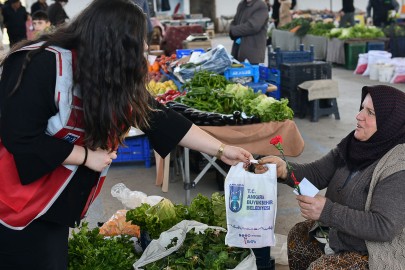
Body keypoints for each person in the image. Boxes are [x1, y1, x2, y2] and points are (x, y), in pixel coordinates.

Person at [0, 0, 253, 269]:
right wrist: (86, 156)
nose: (145, 48)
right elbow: (19, 137)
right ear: (109, 40)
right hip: (13, 204)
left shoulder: (106, 69)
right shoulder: (41, 64)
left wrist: (223, 150)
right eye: (138, 41)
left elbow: (159, 117)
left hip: (52, 205)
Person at [256, 85, 405, 269]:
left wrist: (327, 211)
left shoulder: (398, 166)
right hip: (342, 234)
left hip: (373, 252)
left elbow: (384, 227)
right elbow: (318, 173)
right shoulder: (354, 145)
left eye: (370, 112)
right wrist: (285, 170)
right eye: (361, 108)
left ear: (389, 122)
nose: (359, 116)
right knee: (298, 236)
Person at [229, 0, 269, 65]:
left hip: (252, 51)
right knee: (237, 73)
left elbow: (253, 26)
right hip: (238, 49)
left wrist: (233, 31)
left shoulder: (261, 5)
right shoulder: (241, 4)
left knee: (250, 74)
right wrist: (232, 30)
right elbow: (234, 22)